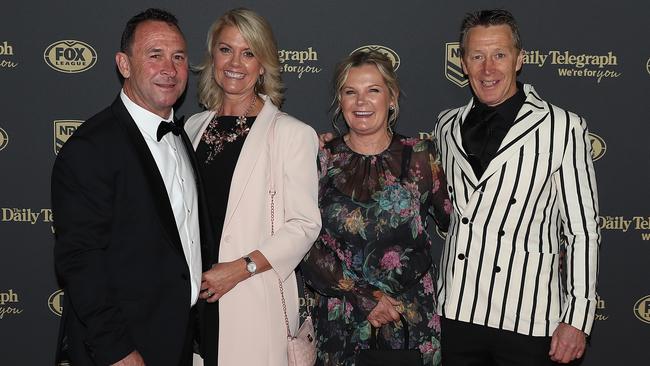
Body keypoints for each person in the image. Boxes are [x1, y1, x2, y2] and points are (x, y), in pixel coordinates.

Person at [434, 9, 600, 365]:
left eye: (499, 55)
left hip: (529, 318)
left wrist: (578, 318)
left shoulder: (562, 127)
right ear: (463, 63)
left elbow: (582, 230)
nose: (488, 68)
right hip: (456, 313)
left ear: (519, 59)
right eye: (477, 56)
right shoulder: (445, 127)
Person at [52, 8, 216, 366]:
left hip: (182, 340)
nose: (169, 69)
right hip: (125, 349)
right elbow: (80, 261)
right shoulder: (91, 147)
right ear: (124, 65)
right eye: (154, 55)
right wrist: (118, 352)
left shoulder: (183, 136)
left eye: (178, 57)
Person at [184, 8, 321, 366]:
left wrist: (239, 269)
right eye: (226, 49)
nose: (236, 63)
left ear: (263, 64)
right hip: (191, 305)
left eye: (249, 53)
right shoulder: (192, 128)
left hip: (251, 300)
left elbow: (304, 225)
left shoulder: (292, 134)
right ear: (212, 55)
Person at [301, 50, 452, 366]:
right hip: (339, 320)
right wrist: (362, 296)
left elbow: (460, 225)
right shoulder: (318, 157)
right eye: (350, 92)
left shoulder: (423, 157)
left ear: (392, 97)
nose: (361, 101)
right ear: (340, 101)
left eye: (373, 90)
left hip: (408, 321)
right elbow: (303, 240)